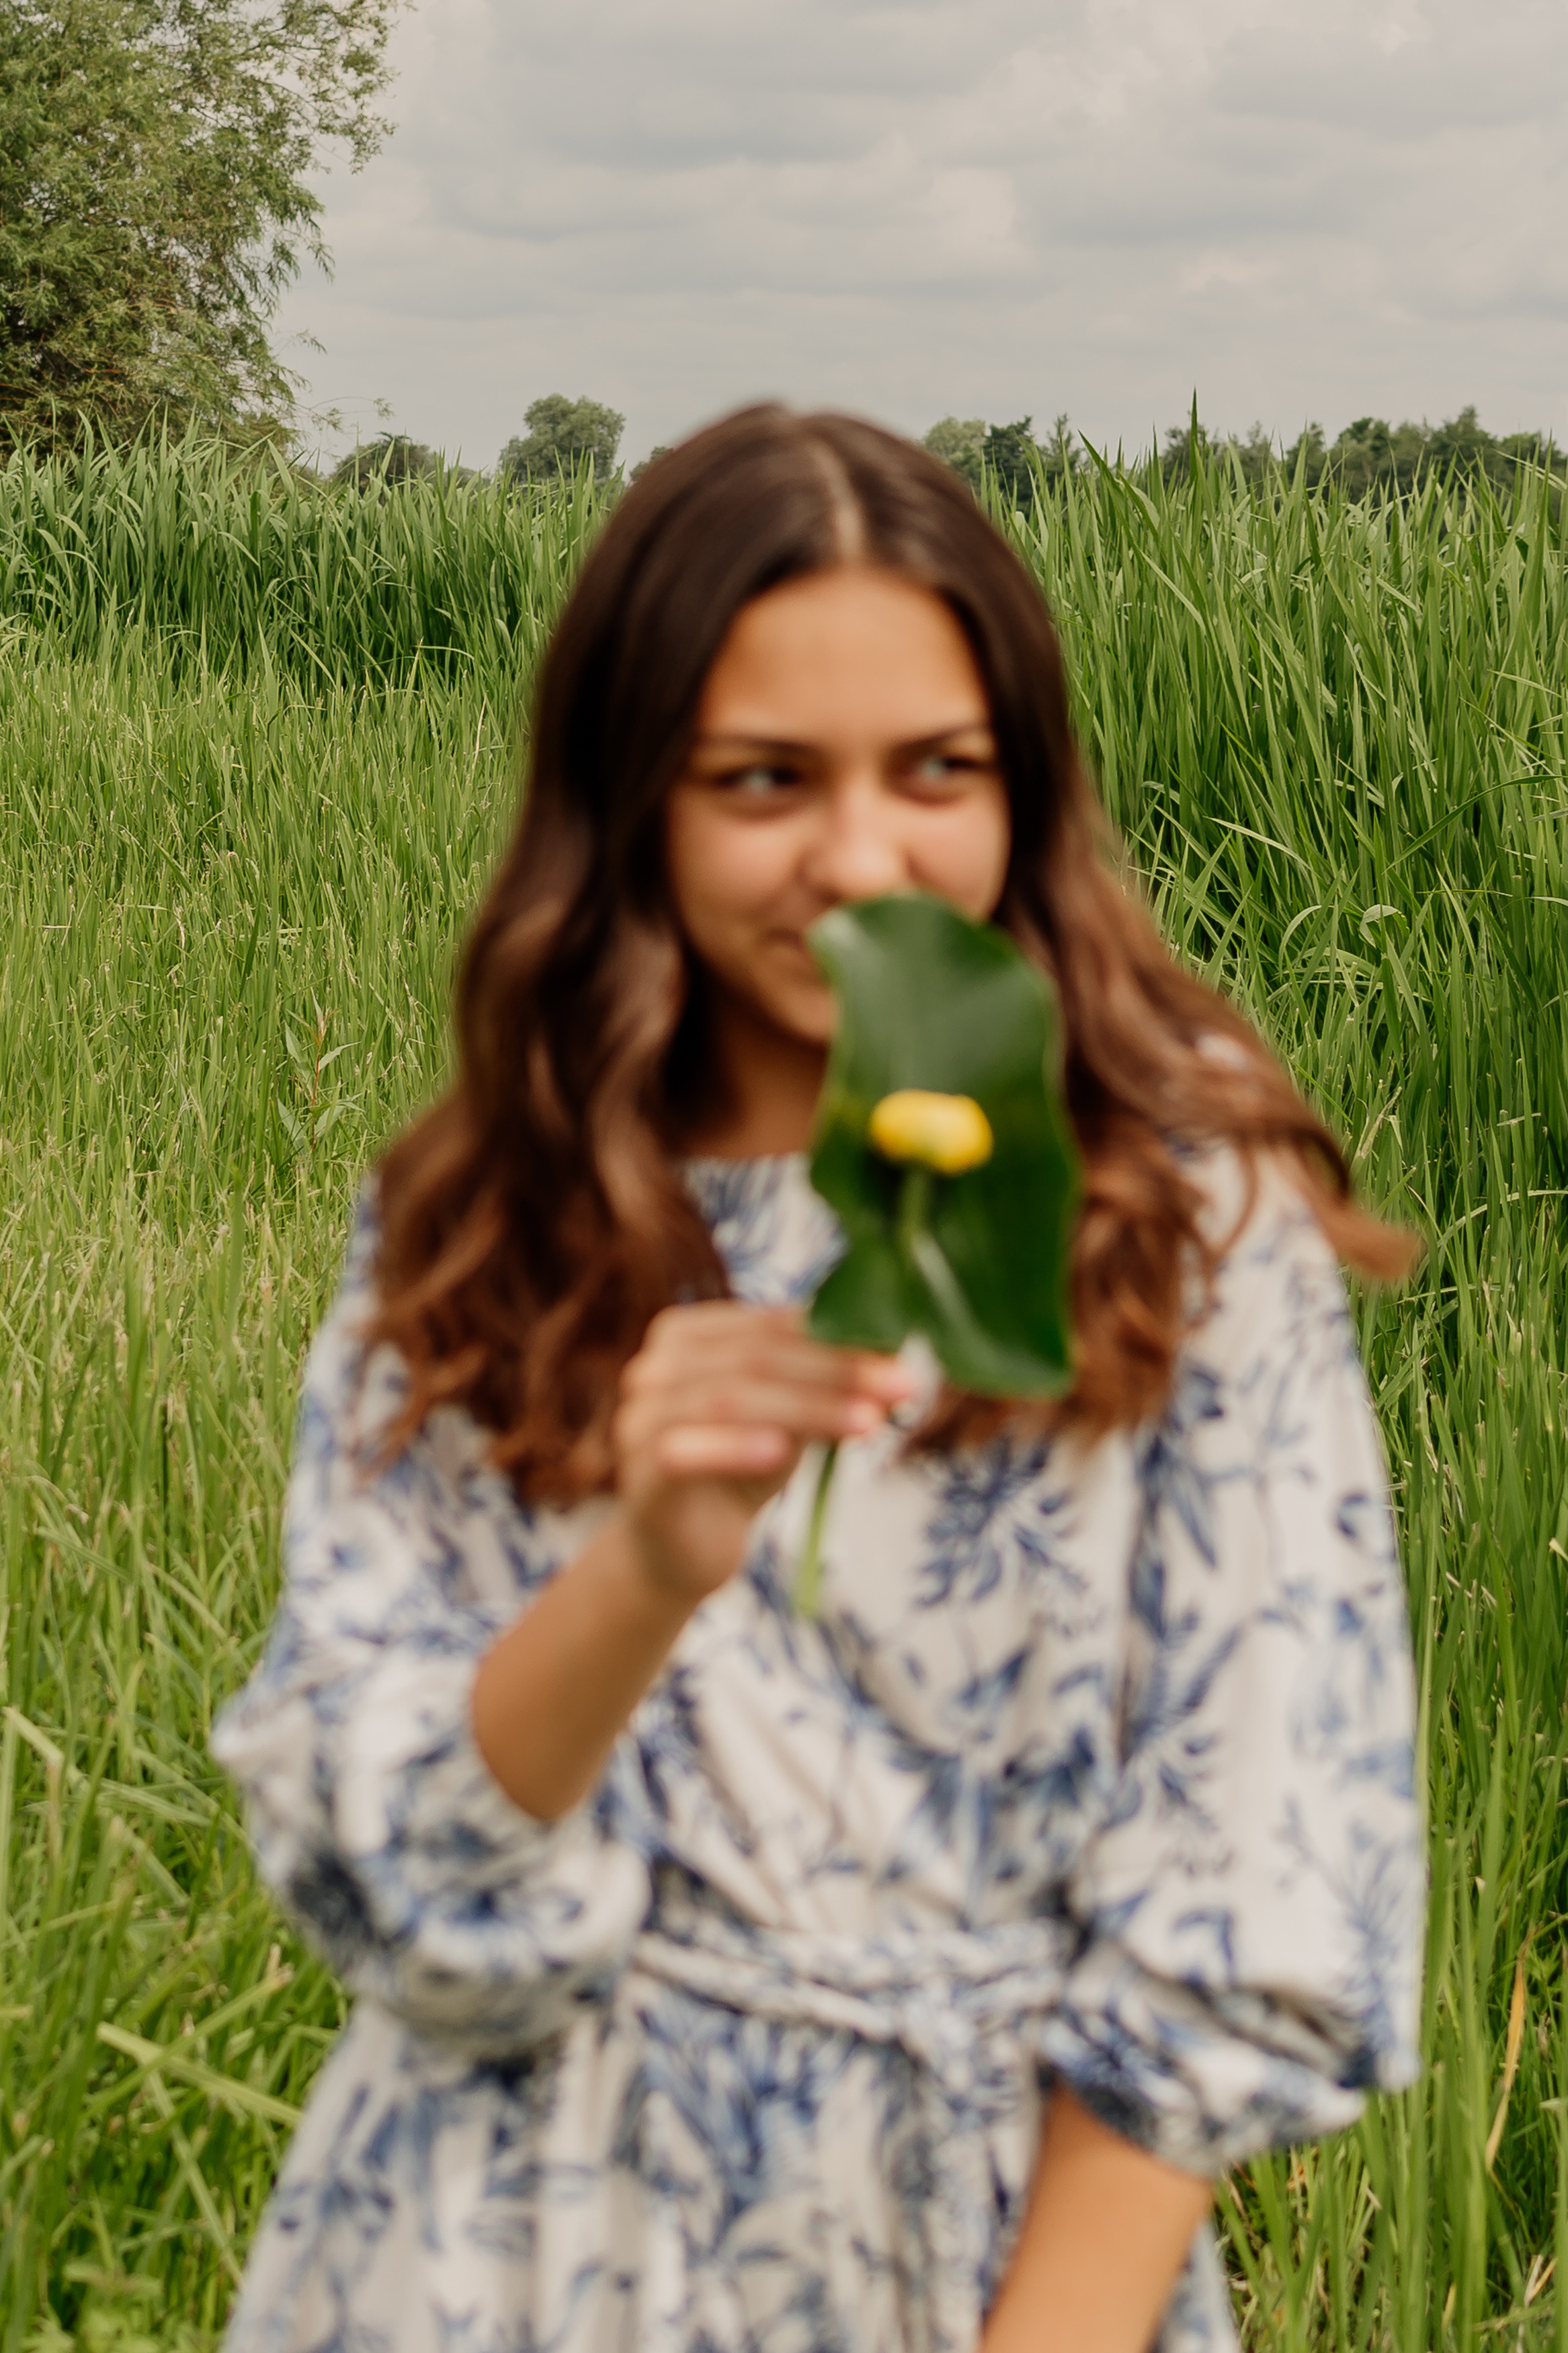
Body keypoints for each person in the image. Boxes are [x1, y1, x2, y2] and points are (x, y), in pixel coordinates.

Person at [213, 405, 1423, 2353]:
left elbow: (1251, 1898)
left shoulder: (1186, 1229)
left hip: (988, 2258)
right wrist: (643, 1558)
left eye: (939, 771)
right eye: (763, 780)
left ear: (1023, 783)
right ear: (634, 800)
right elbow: (394, 1890)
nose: (862, 856)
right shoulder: (482, 1221)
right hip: (493, 2242)